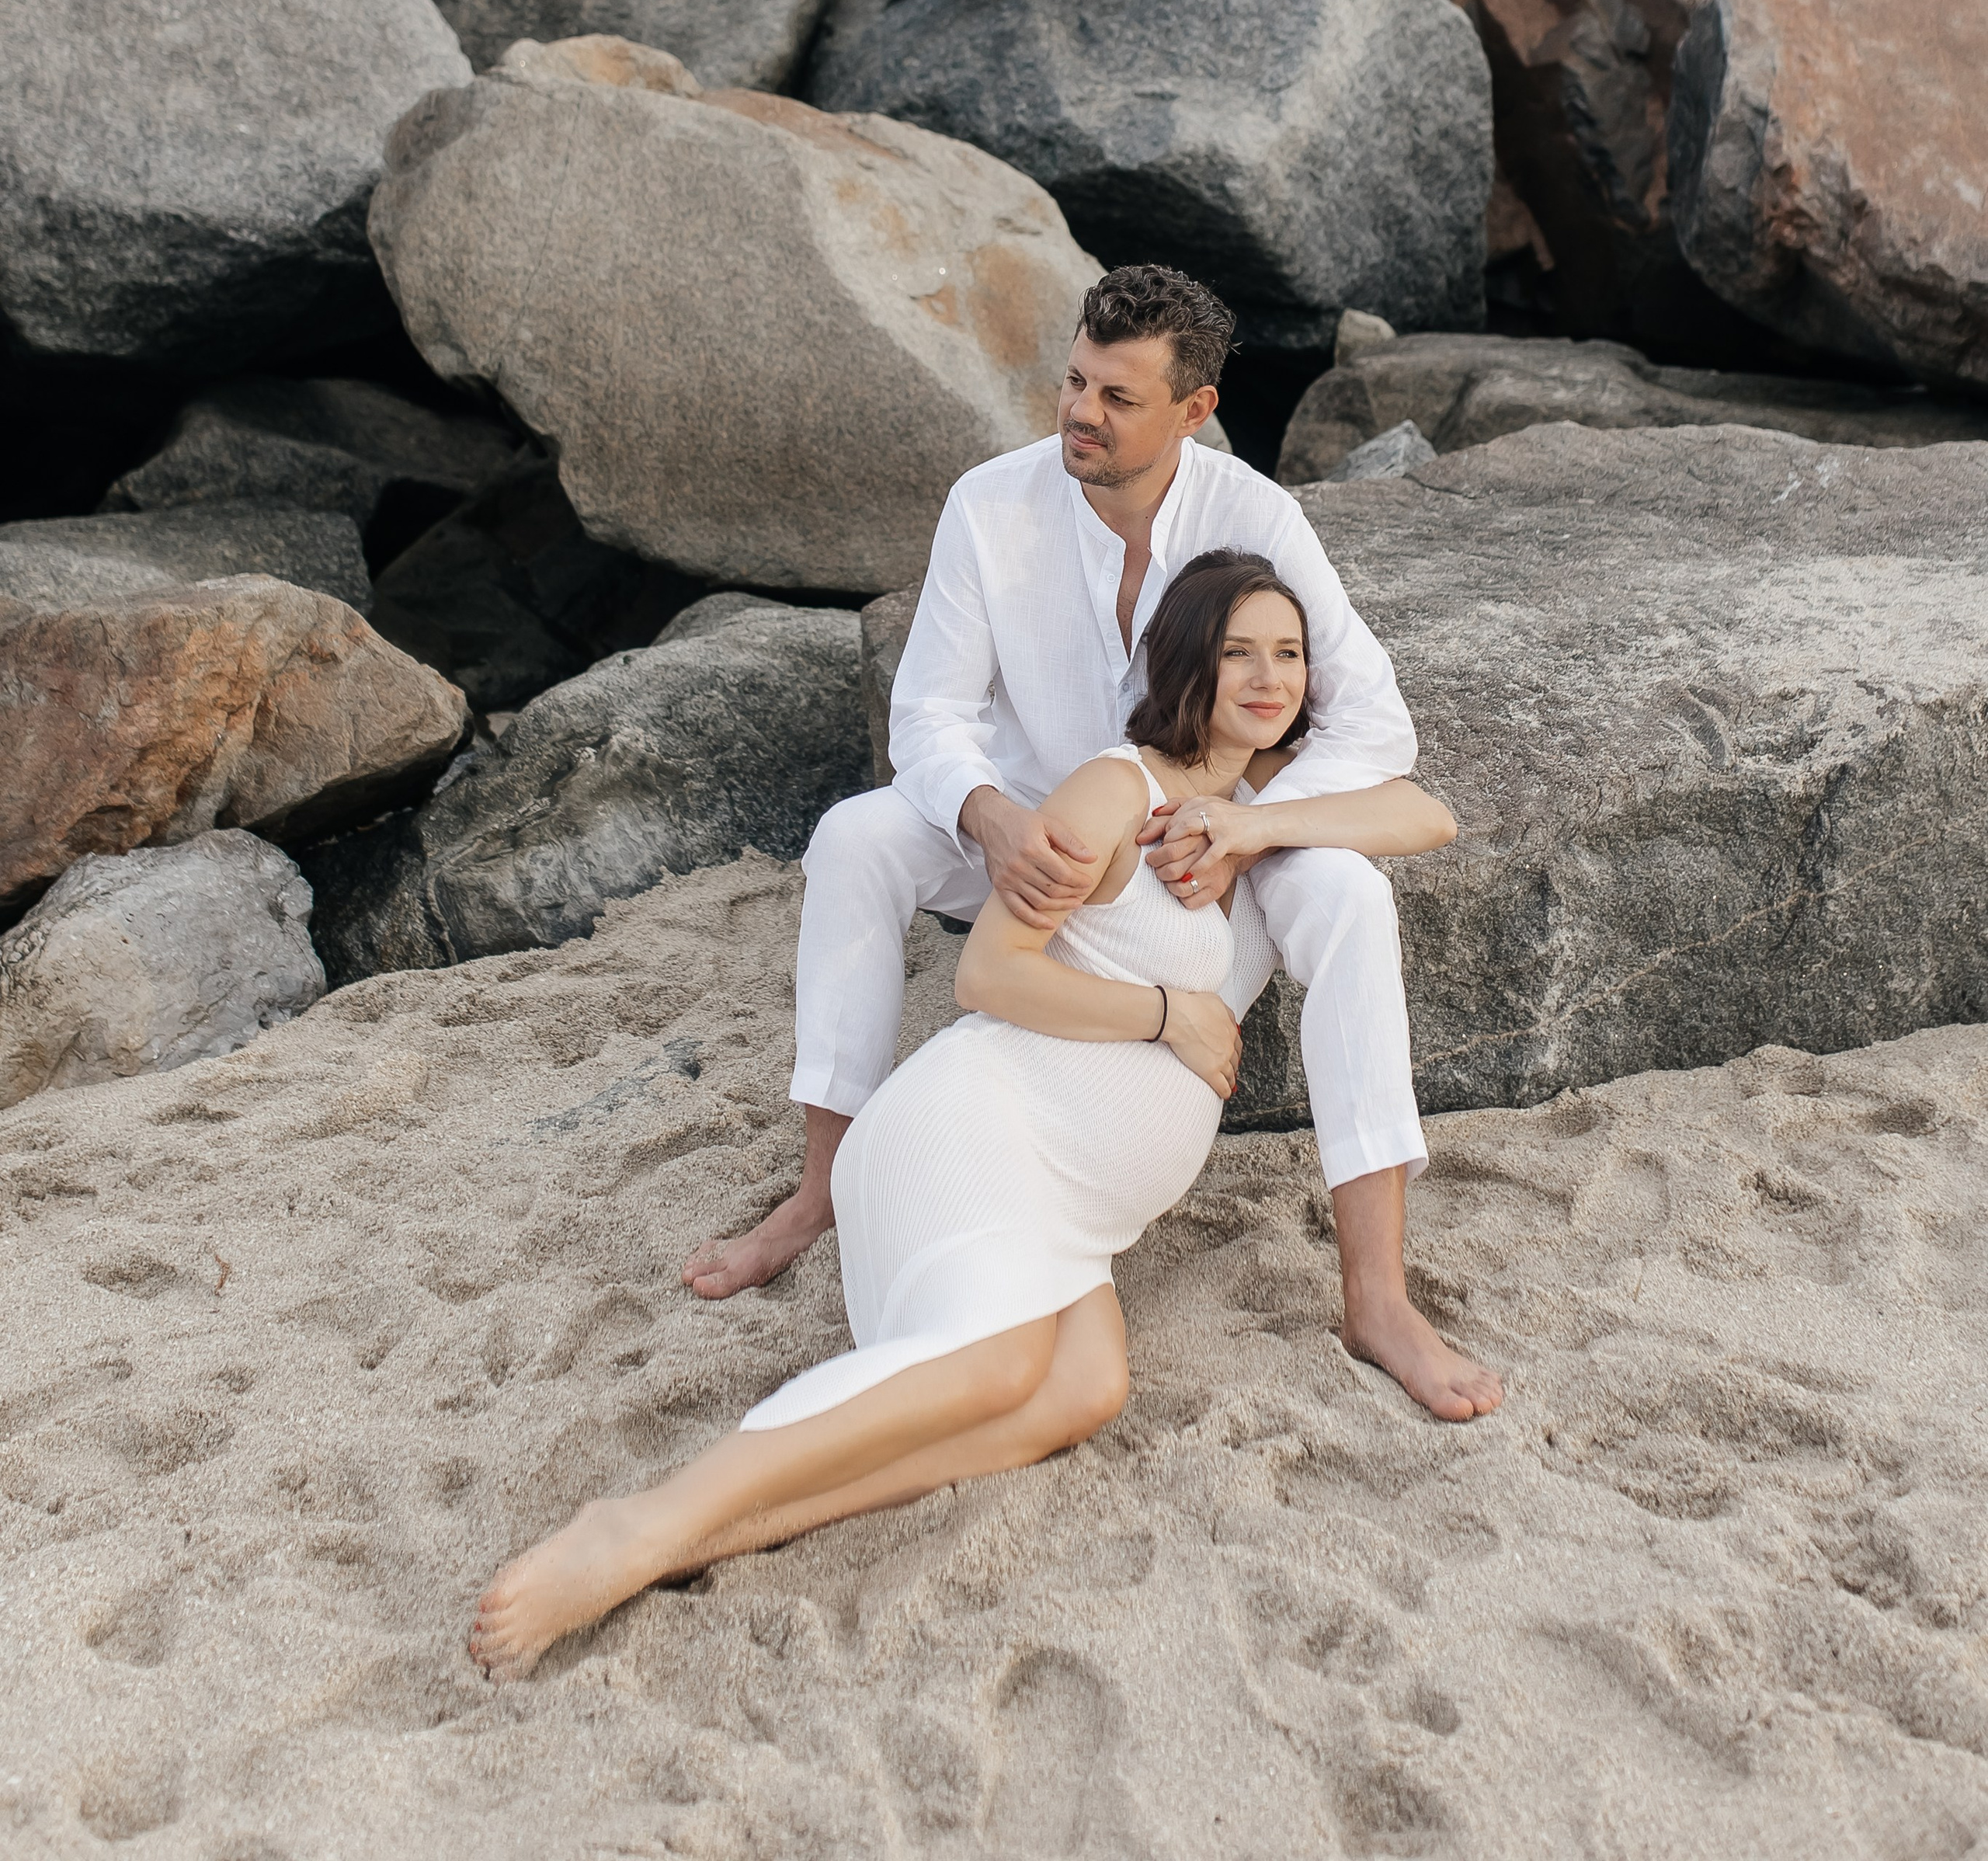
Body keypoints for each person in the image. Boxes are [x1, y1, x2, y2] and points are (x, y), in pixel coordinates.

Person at [471, 550, 1461, 1680]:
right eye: (1240, 651)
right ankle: (641, 1522)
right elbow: (989, 974)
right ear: (1187, 659)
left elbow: (1424, 813)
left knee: (1084, 1390)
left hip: (1070, 1213)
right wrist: (1165, 1014)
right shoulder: (1116, 792)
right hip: (976, 1128)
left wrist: (1251, 830)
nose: (1270, 676)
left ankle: (711, 1535)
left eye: (1288, 653)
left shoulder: (1258, 805)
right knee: (995, 1369)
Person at [683, 262, 1503, 1427]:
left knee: (1353, 900)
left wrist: (1244, 829)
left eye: (1119, 397)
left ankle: (1377, 1295)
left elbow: (1374, 726)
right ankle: (821, 1187)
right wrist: (989, 815)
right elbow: (928, 713)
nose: (1080, 412)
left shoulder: (1257, 517)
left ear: (1194, 409)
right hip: (1037, 826)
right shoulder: (990, 504)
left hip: (1193, 839)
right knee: (857, 837)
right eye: (1075, 381)